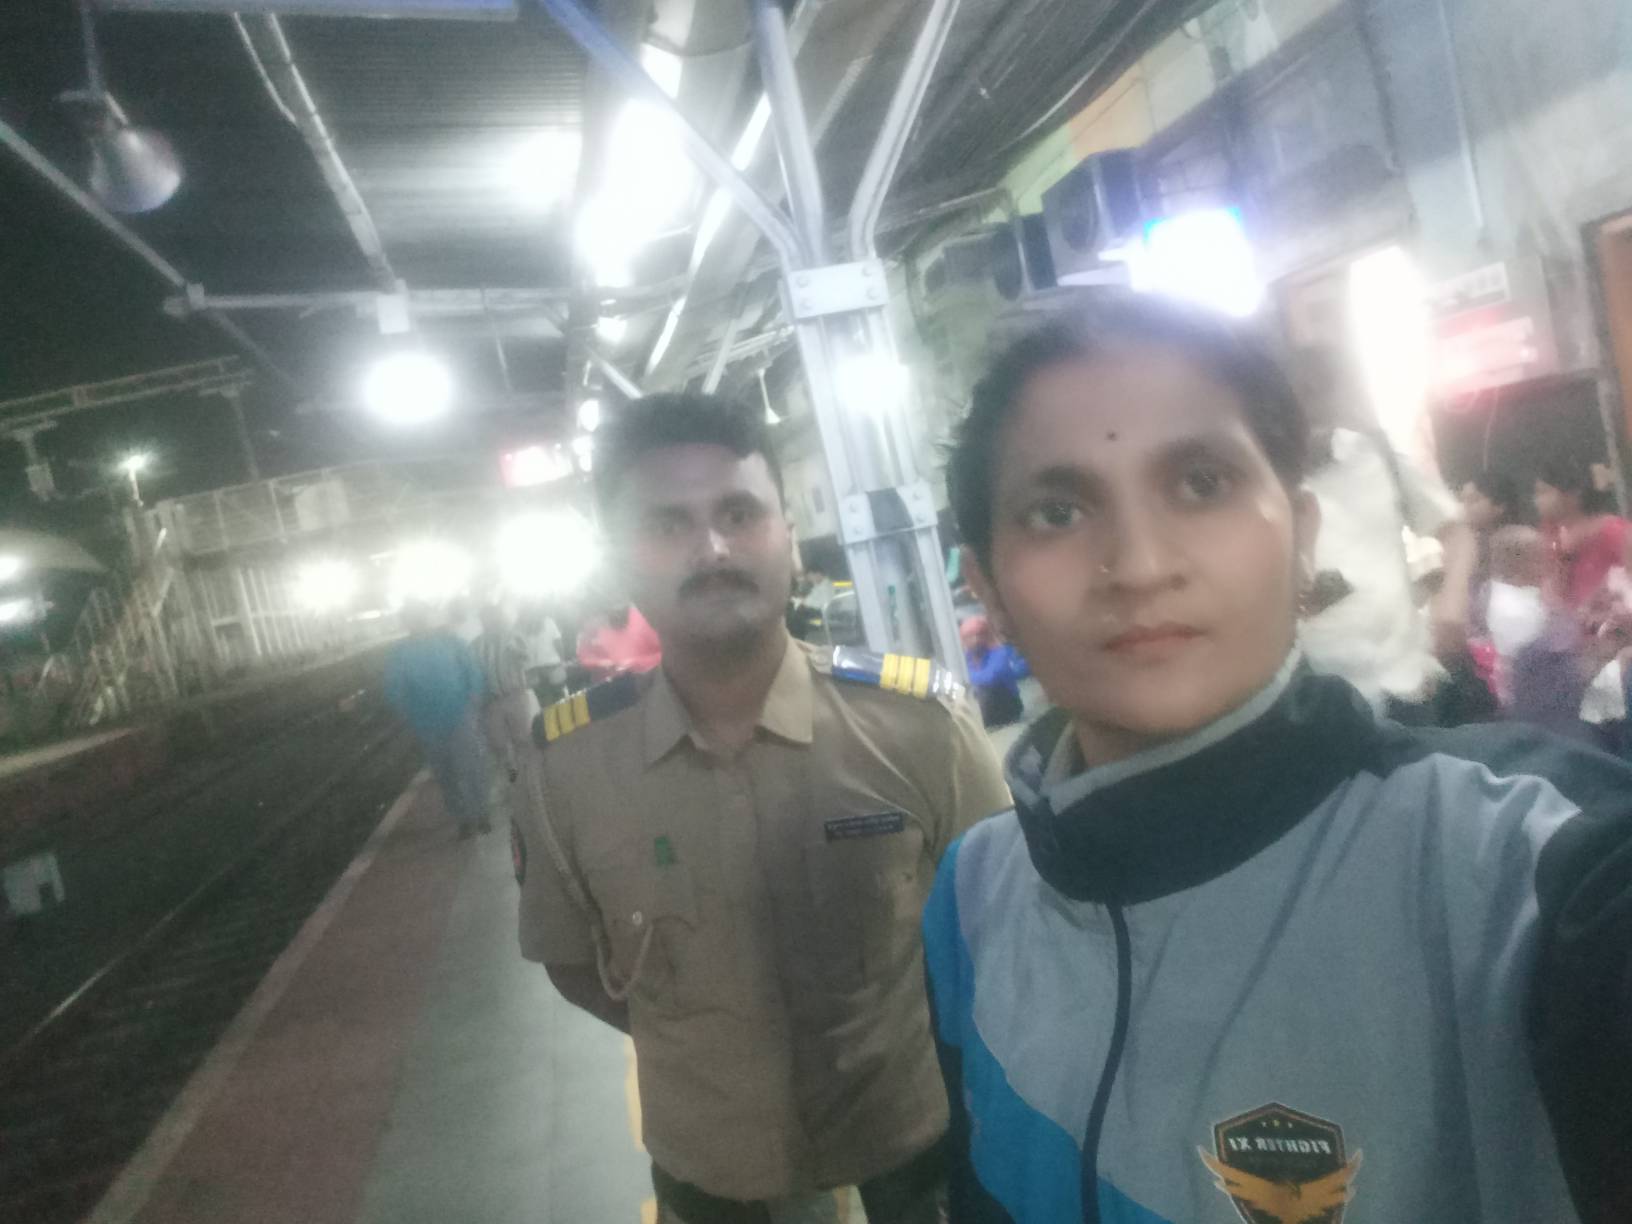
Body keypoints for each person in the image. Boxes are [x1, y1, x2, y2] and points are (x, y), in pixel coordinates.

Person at [924, 298, 1632, 1224]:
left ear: (1302, 536)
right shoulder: (974, 895)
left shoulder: (1531, 869)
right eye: (1056, 512)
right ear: (986, 587)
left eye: (1201, 483)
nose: (1139, 564)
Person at [514, 393, 1010, 1224]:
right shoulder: (568, 769)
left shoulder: (920, 726)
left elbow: (1005, 928)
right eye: (667, 524)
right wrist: (708, 1043)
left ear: (788, 533)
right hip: (713, 1171)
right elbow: (572, 964)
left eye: (740, 514)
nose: (712, 548)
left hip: (913, 1147)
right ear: (618, 559)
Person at [1291, 348, 1477, 721]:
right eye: (1298, 394)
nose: (1311, 407)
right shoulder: (1256, 481)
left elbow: (1457, 533)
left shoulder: (1376, 455)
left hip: (1405, 686)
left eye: (1319, 390)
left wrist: (1451, 604)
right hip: (1312, 702)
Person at [383, 600, 491, 839]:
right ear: (407, 622)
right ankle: (465, 818)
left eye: (418, 615)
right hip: (432, 722)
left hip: (454, 716)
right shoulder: (403, 652)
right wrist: (408, 713)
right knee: (447, 772)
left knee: (468, 767)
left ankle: (479, 813)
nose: (416, 621)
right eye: (412, 617)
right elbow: (394, 689)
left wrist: (473, 700)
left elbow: (473, 671)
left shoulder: (448, 641)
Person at [1534, 461, 1631, 610]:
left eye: (1544, 492)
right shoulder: (1550, 531)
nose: (1536, 500)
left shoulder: (1613, 532)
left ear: (1573, 494)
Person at [472, 600, 540, 785]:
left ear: (499, 618)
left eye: (493, 617)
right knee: (498, 743)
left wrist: (516, 652)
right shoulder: (476, 645)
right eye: (486, 618)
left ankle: (530, 775)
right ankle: (512, 774)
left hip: (515, 696)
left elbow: (527, 658)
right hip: (491, 702)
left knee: (522, 738)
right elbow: (472, 673)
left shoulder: (514, 636)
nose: (490, 621)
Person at [960, 615, 1028, 728]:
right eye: (969, 637)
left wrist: (966, 679)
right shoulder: (967, 658)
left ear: (986, 636)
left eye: (979, 635)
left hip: (1008, 705)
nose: (975, 640)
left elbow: (990, 677)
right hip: (985, 707)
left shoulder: (999, 652)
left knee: (984, 689)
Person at [575, 600, 662, 682]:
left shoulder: (640, 616)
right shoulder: (599, 633)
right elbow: (584, 658)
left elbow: (666, 652)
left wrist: (636, 663)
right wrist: (604, 663)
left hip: (659, 681)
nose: (586, 628)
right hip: (630, 686)